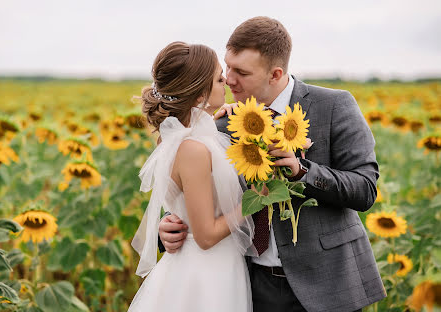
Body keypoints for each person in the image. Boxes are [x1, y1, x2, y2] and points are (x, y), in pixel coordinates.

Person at [159, 17, 387, 312]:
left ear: (275, 73)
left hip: (329, 285)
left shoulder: (333, 106)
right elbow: (193, 190)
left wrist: (302, 170)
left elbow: (365, 189)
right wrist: (168, 225)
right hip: (251, 286)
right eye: (227, 67)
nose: (229, 79)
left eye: (241, 72)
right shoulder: (221, 122)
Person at [128, 41, 257, 312]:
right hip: (206, 270)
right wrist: (256, 200)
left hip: (209, 262)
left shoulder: (183, 137)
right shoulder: (193, 149)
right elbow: (206, 236)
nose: (227, 84)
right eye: (219, 79)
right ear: (200, 96)